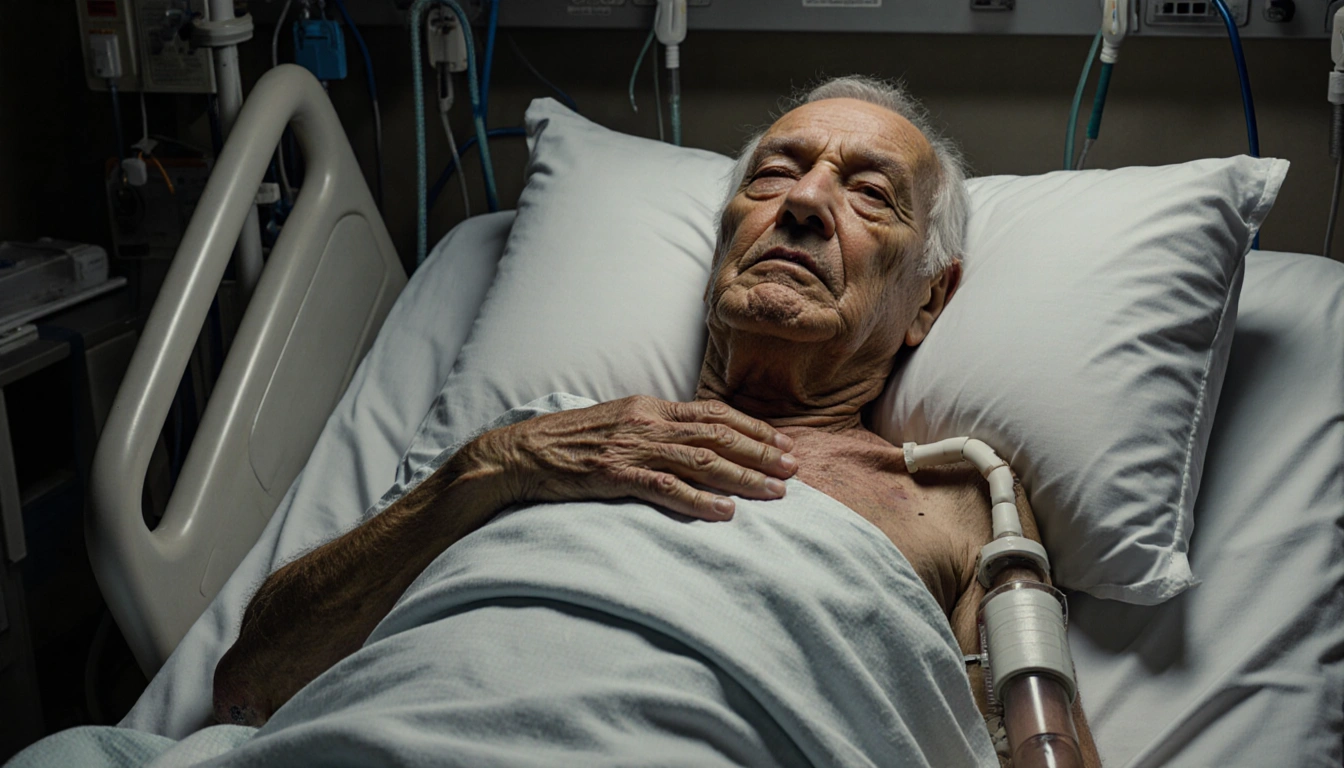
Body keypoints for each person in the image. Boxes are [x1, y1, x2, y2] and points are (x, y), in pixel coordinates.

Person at [212, 76, 1101, 767]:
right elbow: (251, 681)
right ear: (724, 241)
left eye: (870, 194)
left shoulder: (951, 502)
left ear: (928, 301)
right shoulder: (537, 436)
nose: (803, 204)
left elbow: (1032, 738)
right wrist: (495, 465)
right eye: (774, 174)